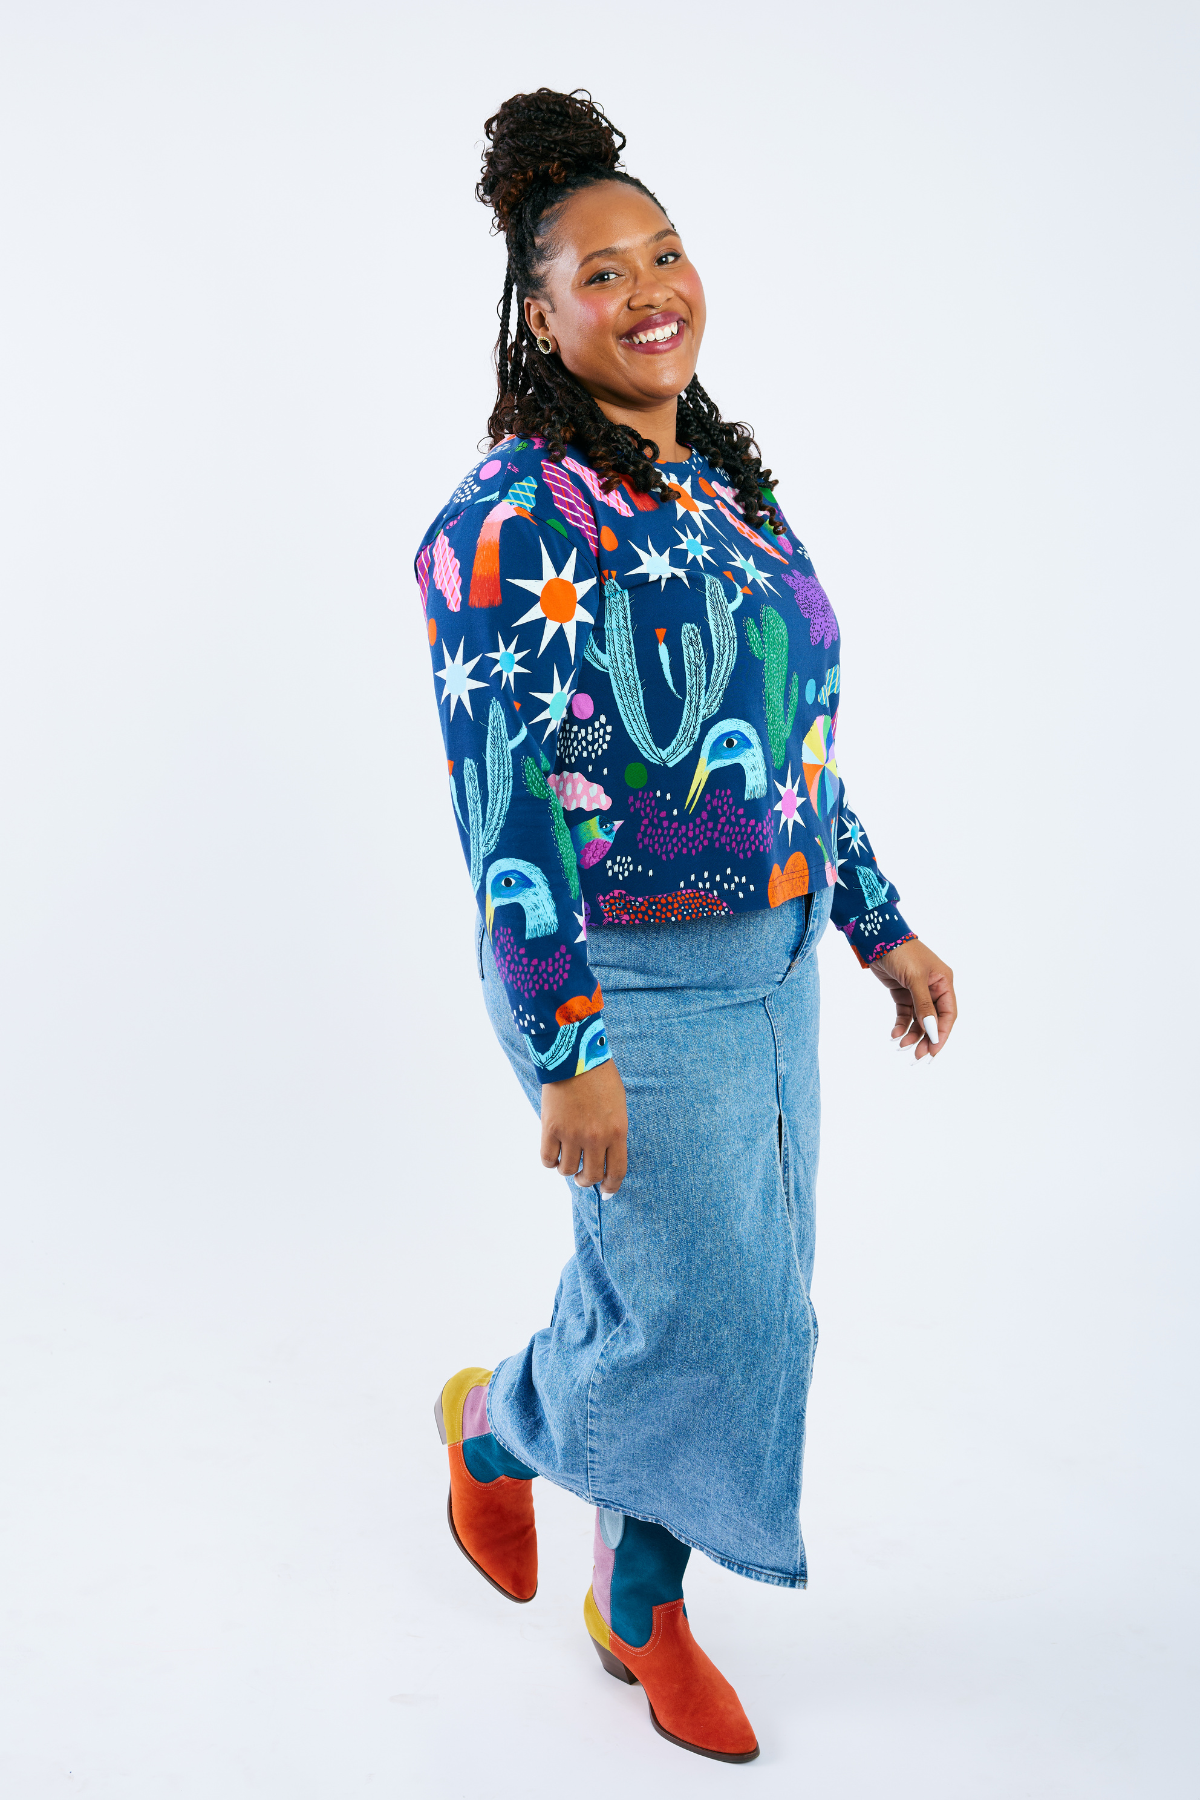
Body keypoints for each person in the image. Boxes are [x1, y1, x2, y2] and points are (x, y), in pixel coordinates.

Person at [416, 88, 957, 1763]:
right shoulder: (504, 526)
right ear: (536, 306)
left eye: (665, 252)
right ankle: (507, 1439)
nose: (650, 288)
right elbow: (500, 812)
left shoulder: (733, 500)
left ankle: (624, 1586)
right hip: (625, 969)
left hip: (777, 961)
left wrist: (877, 924)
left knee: (752, 1304)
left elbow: (798, 749)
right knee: (699, 1312)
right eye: (600, 270)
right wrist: (567, 1047)